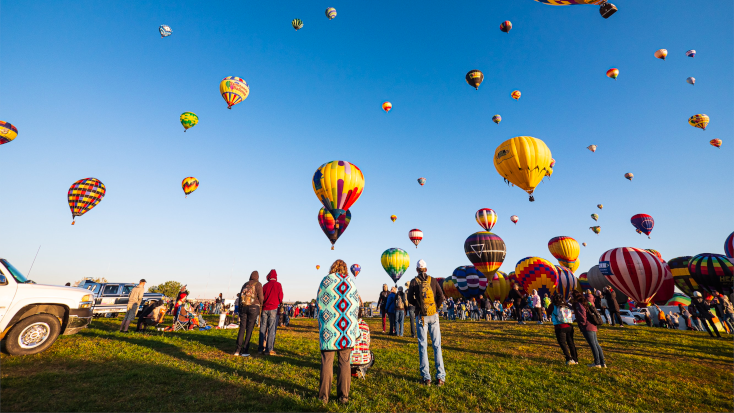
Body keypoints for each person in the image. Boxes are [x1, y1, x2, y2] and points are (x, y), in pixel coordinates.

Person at [317, 259, 361, 404]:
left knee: (327, 362)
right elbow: (355, 307)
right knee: (344, 363)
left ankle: (323, 397)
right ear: (345, 269)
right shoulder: (351, 283)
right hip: (346, 331)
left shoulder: (325, 281)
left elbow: (319, 303)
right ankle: (343, 397)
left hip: (329, 330)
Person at [407, 259, 446, 386]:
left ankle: (426, 378)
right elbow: (441, 296)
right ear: (426, 269)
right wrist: (435, 307)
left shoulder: (414, 282)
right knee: (437, 345)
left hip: (421, 316)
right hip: (433, 315)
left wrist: (419, 305)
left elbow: (409, 299)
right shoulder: (433, 280)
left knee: (423, 345)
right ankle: (440, 377)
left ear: (417, 269)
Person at [572, 290, 605, 368]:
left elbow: (582, 315)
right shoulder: (585, 302)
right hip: (592, 325)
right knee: (596, 344)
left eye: (571, 295)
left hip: (587, 326)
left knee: (593, 345)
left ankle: (597, 363)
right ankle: (602, 362)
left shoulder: (578, 304)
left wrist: (581, 324)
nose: (570, 296)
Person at [234, 271, 264, 357]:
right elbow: (261, 297)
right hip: (254, 307)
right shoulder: (258, 284)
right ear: (257, 277)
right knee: (249, 329)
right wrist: (261, 305)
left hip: (243, 307)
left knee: (242, 327)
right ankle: (245, 350)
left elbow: (240, 297)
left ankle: (237, 350)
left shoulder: (245, 284)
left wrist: (240, 309)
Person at [546, 292, 578, 365]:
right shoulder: (565, 305)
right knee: (571, 343)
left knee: (562, 343)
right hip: (569, 325)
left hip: (559, 326)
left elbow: (548, 311)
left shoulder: (553, 305)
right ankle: (575, 359)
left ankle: (568, 358)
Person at [259, 270, 283, 355]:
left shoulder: (265, 285)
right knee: (271, 329)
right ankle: (269, 349)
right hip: (273, 308)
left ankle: (260, 348)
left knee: (263, 328)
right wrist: (277, 302)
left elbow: (262, 298)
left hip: (265, 308)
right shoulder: (278, 285)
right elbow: (281, 297)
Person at [351, 308, 374, 379]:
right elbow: (368, 342)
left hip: (348, 358)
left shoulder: (347, 324)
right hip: (364, 359)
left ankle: (352, 371)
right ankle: (360, 368)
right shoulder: (365, 325)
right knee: (371, 355)